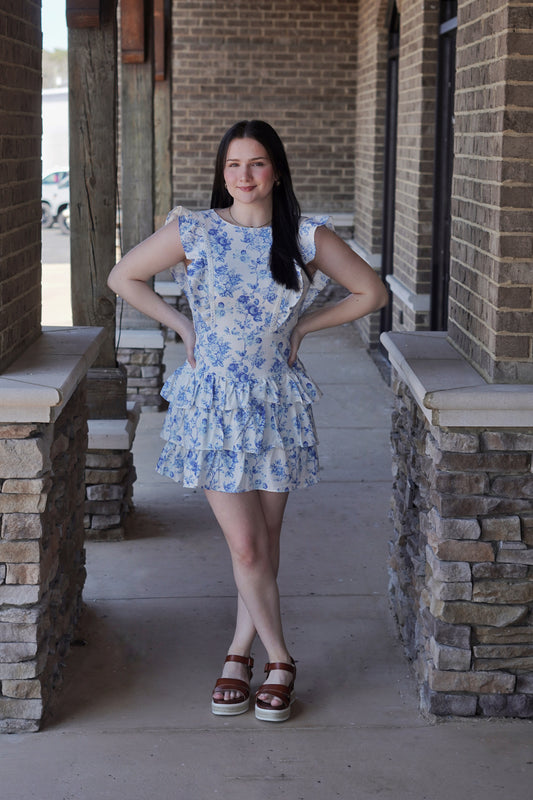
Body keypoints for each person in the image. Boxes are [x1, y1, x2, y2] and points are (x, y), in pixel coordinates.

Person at [108, 120, 388, 723]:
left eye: (256, 164)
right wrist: (183, 326)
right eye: (233, 166)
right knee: (244, 542)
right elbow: (123, 276)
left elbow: (371, 292)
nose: (243, 177)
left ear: (276, 171)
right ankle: (282, 659)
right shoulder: (197, 228)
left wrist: (303, 328)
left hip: (276, 402)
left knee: (263, 542)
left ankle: (238, 651)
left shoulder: (305, 236)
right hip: (212, 405)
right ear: (222, 173)